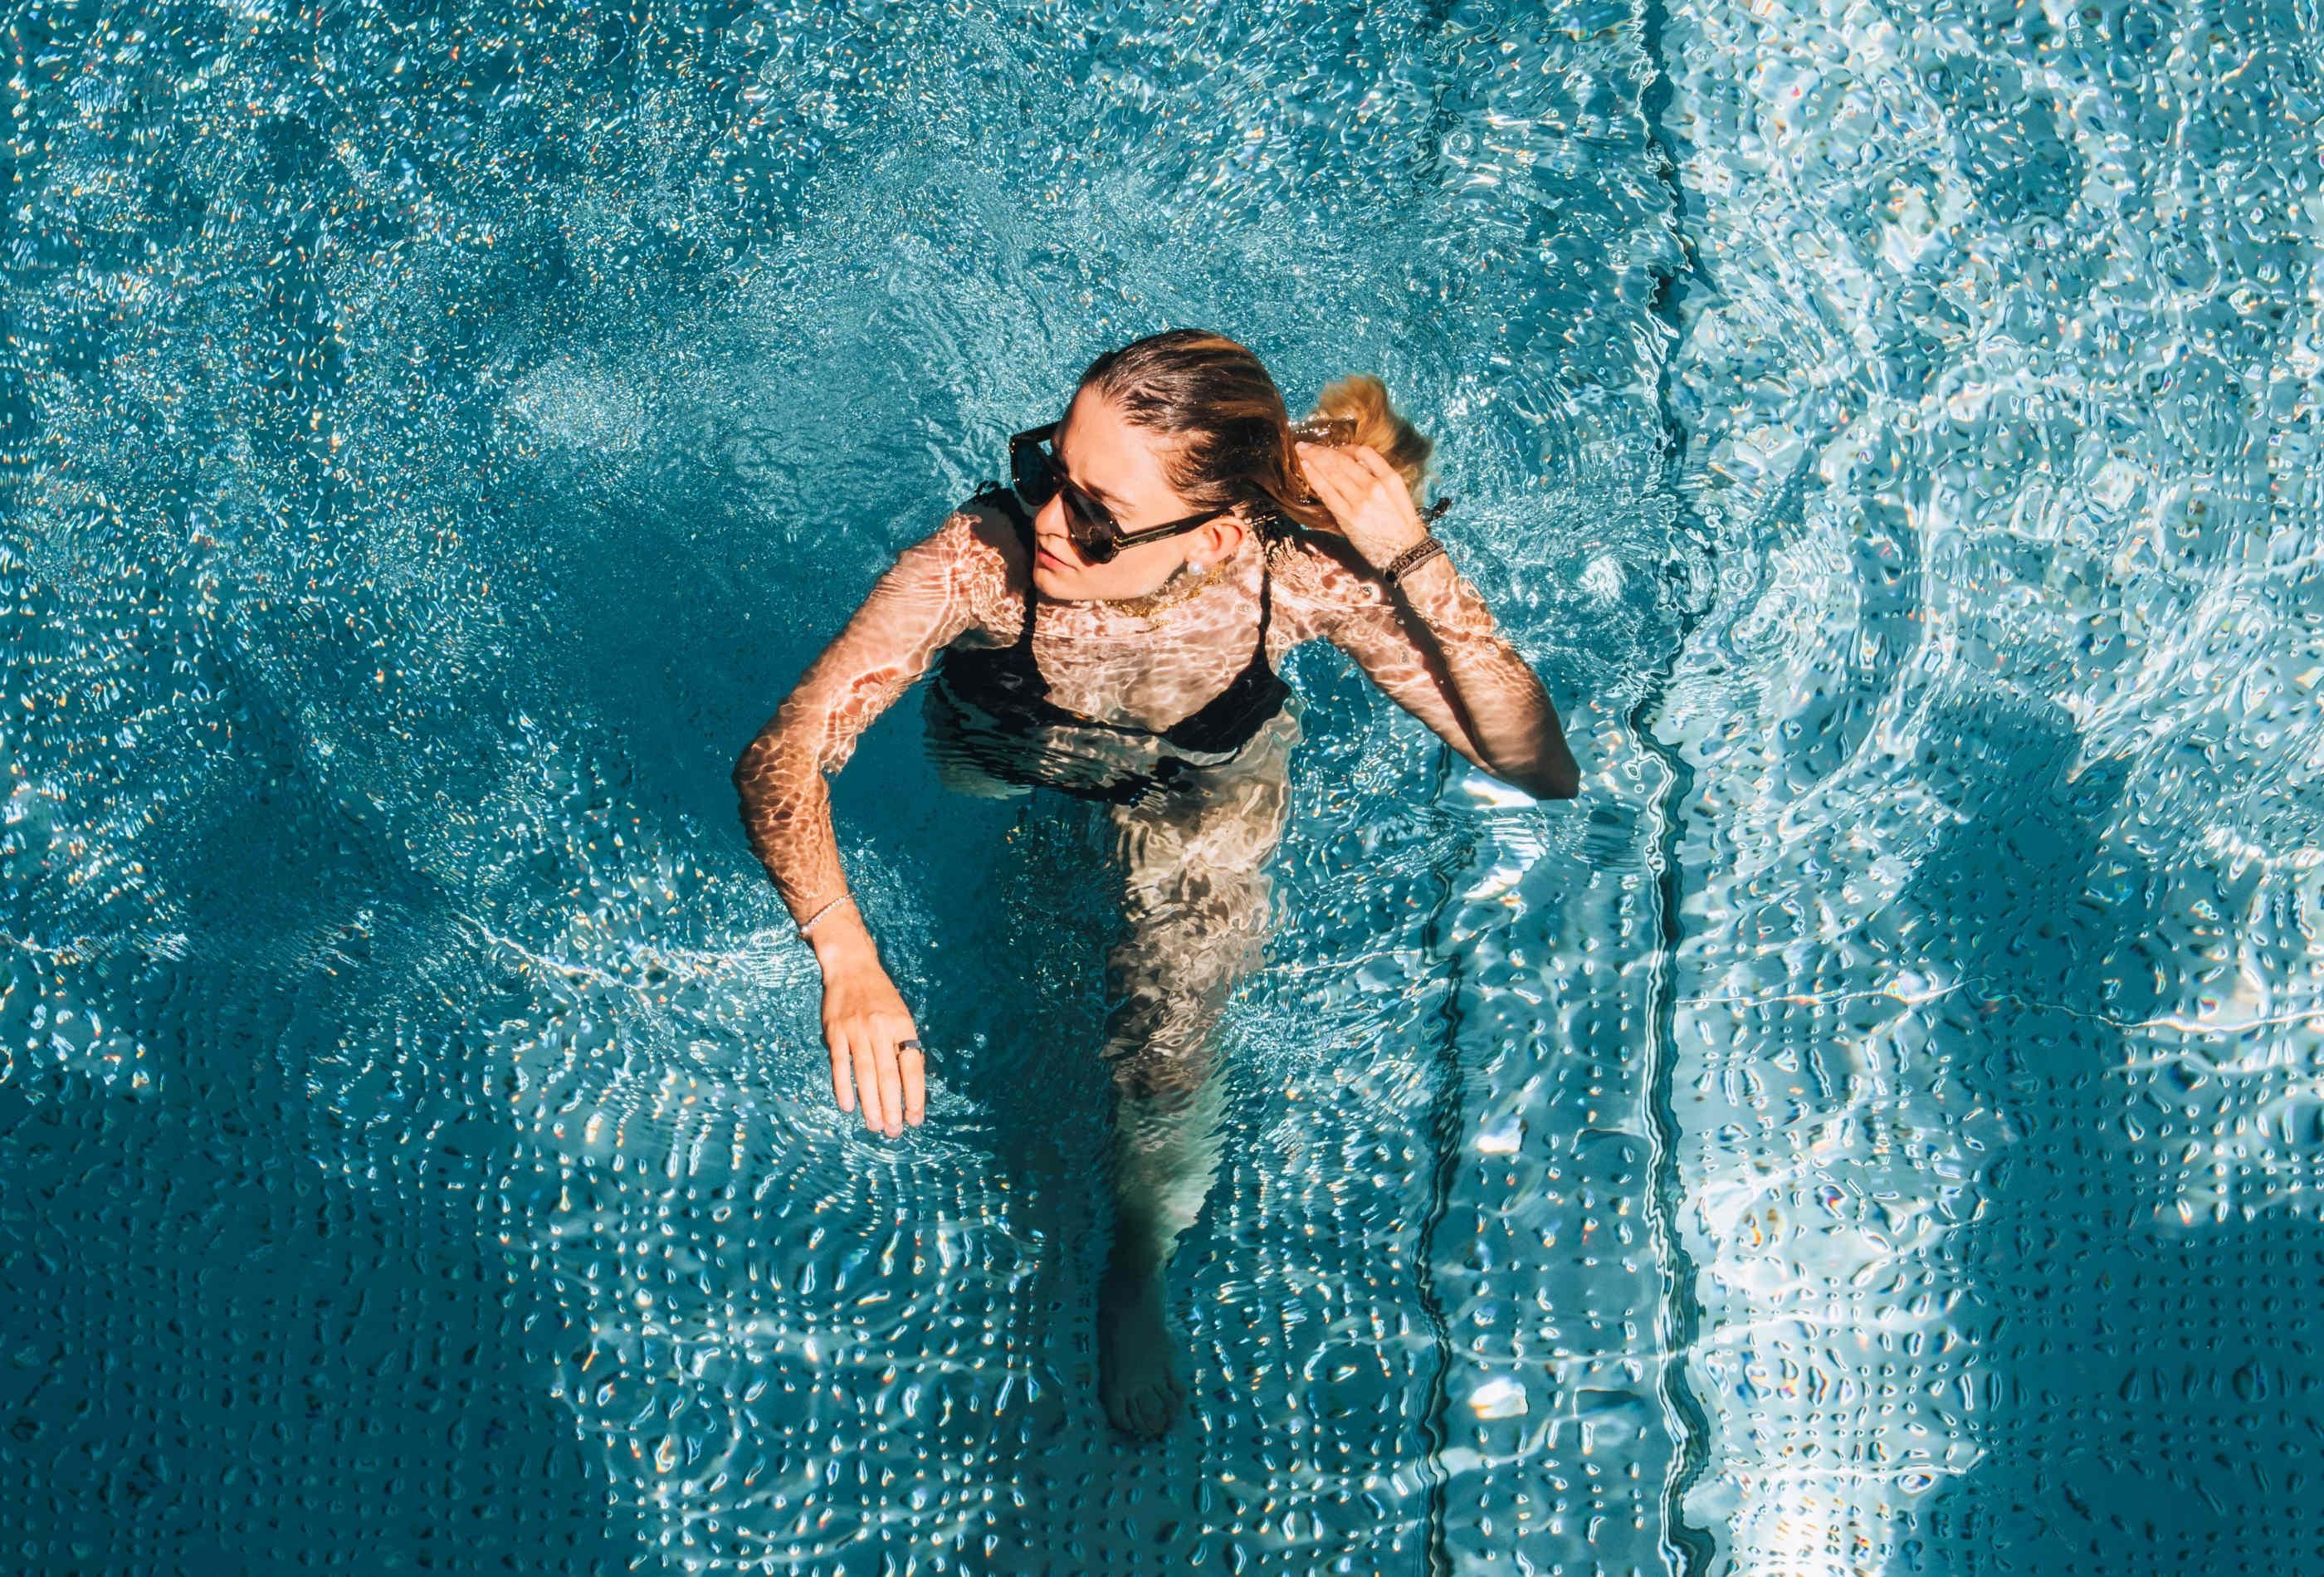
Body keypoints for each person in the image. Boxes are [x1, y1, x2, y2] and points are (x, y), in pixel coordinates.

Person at [730, 328, 1579, 1439]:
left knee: (1167, 1046)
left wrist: (1410, 557)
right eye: (1048, 469)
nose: (1049, 521)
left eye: (1095, 515)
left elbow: (1537, 764)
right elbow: (783, 756)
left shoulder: (1294, 577)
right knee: (996, 833)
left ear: (1216, 535)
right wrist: (845, 952)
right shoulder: (983, 568)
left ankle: (1135, 1264)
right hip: (1009, 756)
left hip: (1199, 793)